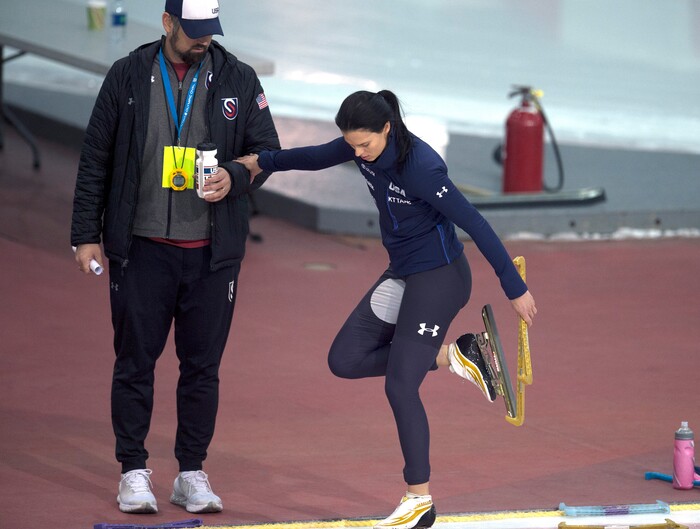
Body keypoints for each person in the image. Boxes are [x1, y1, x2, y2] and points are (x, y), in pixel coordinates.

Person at [236, 90, 536, 529]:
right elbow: (319, 155)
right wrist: (263, 162)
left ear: (387, 129)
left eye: (365, 145)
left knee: (400, 385)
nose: (358, 154)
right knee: (344, 359)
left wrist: (514, 286)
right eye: (352, 145)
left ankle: (419, 500)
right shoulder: (361, 144)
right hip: (403, 272)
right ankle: (457, 354)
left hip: (439, 278)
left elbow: (474, 221)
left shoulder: (421, 167)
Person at [71, 0, 280, 515]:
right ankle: (133, 471)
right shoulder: (127, 75)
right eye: (193, 30)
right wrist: (85, 234)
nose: (203, 39)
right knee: (136, 363)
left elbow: (267, 151)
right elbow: (95, 155)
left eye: (211, 30)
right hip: (141, 250)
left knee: (202, 368)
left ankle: (191, 471)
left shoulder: (239, 77)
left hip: (212, 256)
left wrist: (236, 172)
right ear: (167, 24)